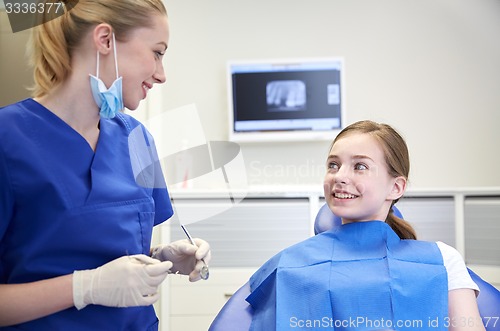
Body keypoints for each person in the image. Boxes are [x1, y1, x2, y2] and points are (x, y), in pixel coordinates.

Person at [0, 0, 211, 329]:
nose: (161, 74)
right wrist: (85, 288)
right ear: (105, 40)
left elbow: (110, 253)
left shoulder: (137, 139)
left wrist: (161, 259)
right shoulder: (7, 139)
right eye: (157, 52)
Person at [245, 120, 485, 330]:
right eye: (333, 165)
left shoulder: (441, 260)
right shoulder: (290, 265)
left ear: (396, 188)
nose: (339, 176)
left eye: (360, 166)